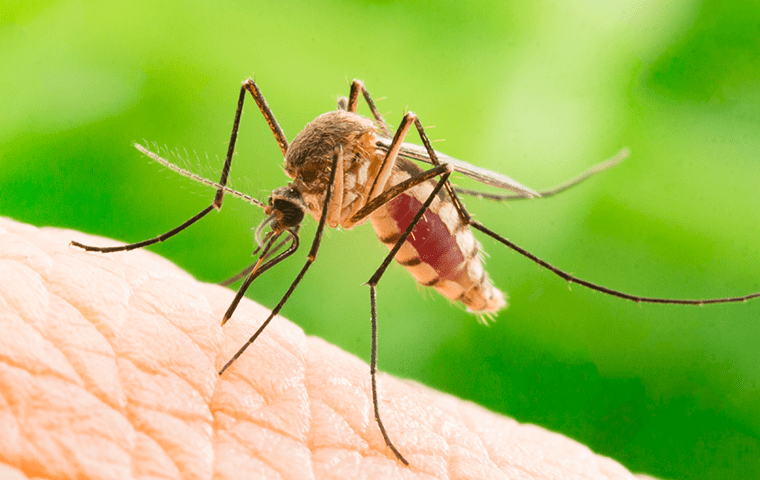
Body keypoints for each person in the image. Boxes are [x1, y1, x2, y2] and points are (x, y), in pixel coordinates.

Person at [0, 216, 648, 479]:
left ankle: (567, 274)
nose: (279, 219)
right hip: (383, 184)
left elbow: (312, 245)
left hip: (414, 204)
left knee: (336, 245)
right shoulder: (304, 172)